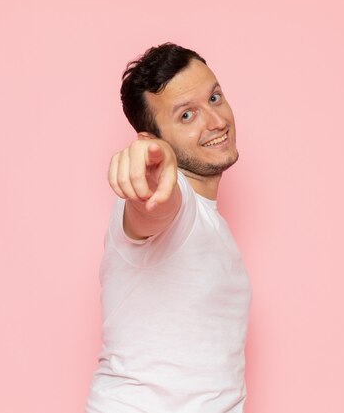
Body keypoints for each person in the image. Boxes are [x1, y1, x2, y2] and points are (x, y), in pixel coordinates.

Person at [85, 42, 252, 413]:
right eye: (186, 116)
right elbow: (154, 207)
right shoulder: (173, 201)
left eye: (214, 97)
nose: (216, 120)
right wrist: (147, 171)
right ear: (152, 140)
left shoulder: (211, 223)